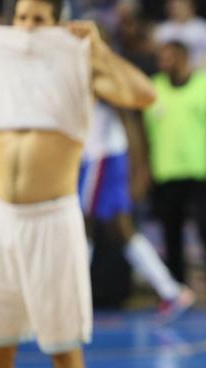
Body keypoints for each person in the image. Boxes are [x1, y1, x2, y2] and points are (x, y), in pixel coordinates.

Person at [0, 0, 155, 368]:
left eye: (38, 20)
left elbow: (143, 94)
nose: (28, 28)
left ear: (57, 25)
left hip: (53, 222)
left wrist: (98, 49)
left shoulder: (79, 68)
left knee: (63, 350)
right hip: (0, 221)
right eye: (21, 18)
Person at [79, 100, 195, 317]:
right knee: (115, 229)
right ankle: (171, 291)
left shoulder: (99, 70)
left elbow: (126, 115)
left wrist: (138, 166)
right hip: (99, 155)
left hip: (102, 156)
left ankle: (69, 301)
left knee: (87, 226)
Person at [144, 40, 206, 306]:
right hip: (166, 173)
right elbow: (145, 133)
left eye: (168, 55)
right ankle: (177, 292)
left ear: (183, 56)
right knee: (170, 237)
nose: (163, 61)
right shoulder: (152, 87)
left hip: (200, 172)